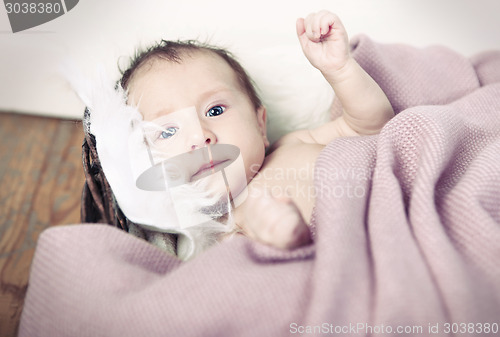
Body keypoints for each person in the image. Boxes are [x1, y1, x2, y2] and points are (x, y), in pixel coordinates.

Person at [119, 10, 394, 251]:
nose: (199, 136)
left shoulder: (293, 144)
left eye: (215, 111)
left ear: (260, 124)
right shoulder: (221, 231)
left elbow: (370, 126)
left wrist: (340, 69)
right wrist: (278, 231)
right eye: (167, 131)